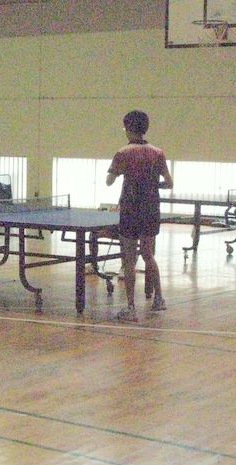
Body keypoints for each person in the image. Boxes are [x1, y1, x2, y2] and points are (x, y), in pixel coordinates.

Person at [106, 110, 173, 321]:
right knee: (148, 255)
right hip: (151, 209)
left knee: (129, 259)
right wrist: (151, 185)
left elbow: (109, 181)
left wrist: (120, 174)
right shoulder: (158, 152)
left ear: (127, 129)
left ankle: (131, 307)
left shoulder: (122, 153)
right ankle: (159, 298)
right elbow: (169, 183)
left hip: (130, 210)